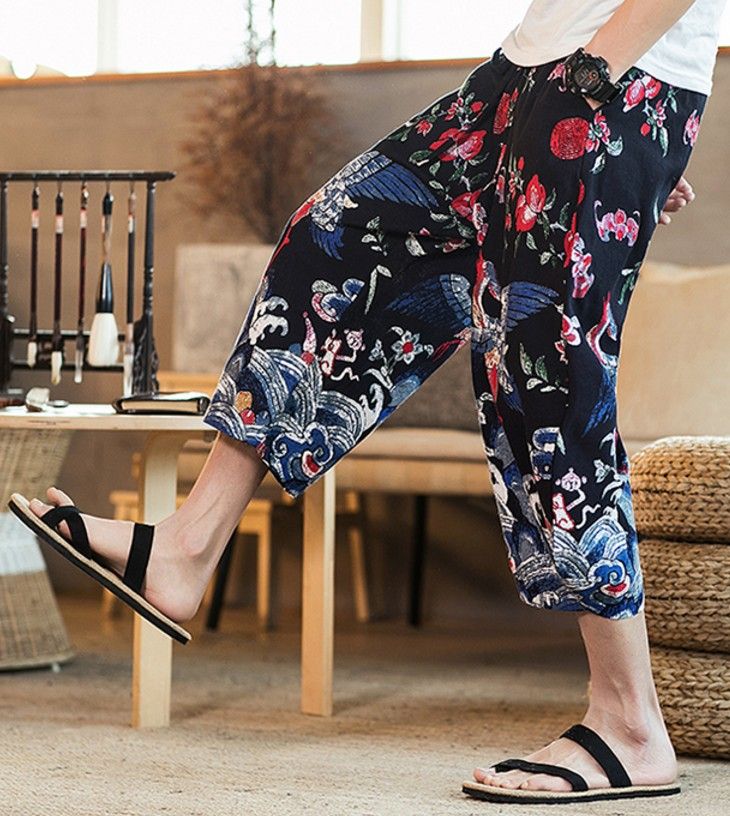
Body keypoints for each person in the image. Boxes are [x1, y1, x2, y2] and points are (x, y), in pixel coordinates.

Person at [8, 0, 727, 806]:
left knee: (546, 363)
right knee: (333, 239)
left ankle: (630, 723)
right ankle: (188, 545)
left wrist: (605, 80)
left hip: (602, 72)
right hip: (528, 69)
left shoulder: (601, 74)